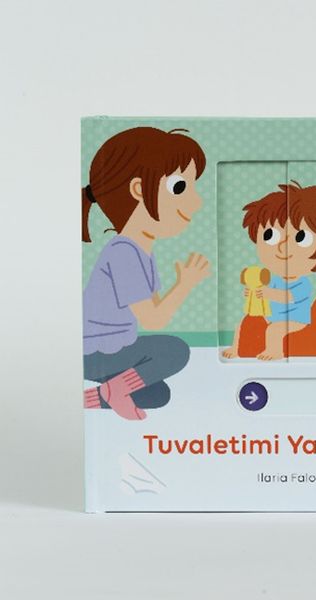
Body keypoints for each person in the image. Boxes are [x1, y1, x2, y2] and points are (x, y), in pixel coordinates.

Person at [82, 127, 210, 420]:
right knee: (174, 351)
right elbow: (154, 319)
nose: (196, 202)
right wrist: (185, 283)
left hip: (112, 350)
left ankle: (98, 396)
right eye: (180, 187)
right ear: (139, 189)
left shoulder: (139, 250)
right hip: (97, 354)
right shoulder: (124, 252)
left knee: (157, 395)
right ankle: (114, 390)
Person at [222, 181, 316, 360]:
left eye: (301, 238)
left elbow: (287, 297)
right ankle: (235, 348)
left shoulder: (302, 284)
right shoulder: (272, 279)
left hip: (296, 321)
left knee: (275, 330)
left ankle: (275, 351)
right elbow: (263, 293)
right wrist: (253, 292)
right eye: (270, 235)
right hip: (271, 316)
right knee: (244, 322)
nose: (283, 247)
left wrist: (267, 293)